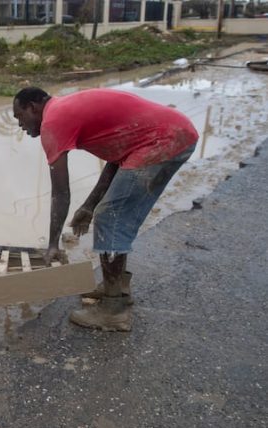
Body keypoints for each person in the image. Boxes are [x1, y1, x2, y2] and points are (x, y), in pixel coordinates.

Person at [12, 87, 198, 332]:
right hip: (174, 133)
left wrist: (54, 244)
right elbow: (117, 159)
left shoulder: (53, 122)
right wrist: (88, 207)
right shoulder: (66, 109)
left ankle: (113, 310)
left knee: (111, 218)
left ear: (32, 108)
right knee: (110, 212)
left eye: (19, 117)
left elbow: (60, 192)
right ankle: (117, 287)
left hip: (163, 139)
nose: (19, 125)